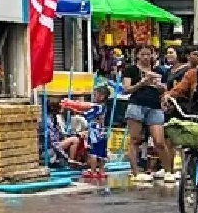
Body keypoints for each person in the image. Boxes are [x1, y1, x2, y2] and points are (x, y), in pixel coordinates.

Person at [121, 44, 175, 183]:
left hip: (155, 106)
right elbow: (126, 89)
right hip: (136, 105)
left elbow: (165, 89)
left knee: (159, 141)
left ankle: (168, 171)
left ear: (153, 55)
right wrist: (142, 83)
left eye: (148, 54)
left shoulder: (160, 71)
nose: (145, 57)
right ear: (137, 55)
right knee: (135, 139)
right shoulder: (131, 70)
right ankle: (135, 172)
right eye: (142, 54)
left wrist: (160, 87)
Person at [56, 85, 112, 180]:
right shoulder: (103, 107)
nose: (93, 97)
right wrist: (75, 108)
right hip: (102, 132)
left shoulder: (97, 106)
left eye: (95, 95)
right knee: (102, 153)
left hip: (95, 133)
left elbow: (86, 112)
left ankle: (93, 171)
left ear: (101, 96)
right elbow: (85, 108)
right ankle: (101, 171)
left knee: (93, 153)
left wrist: (72, 107)